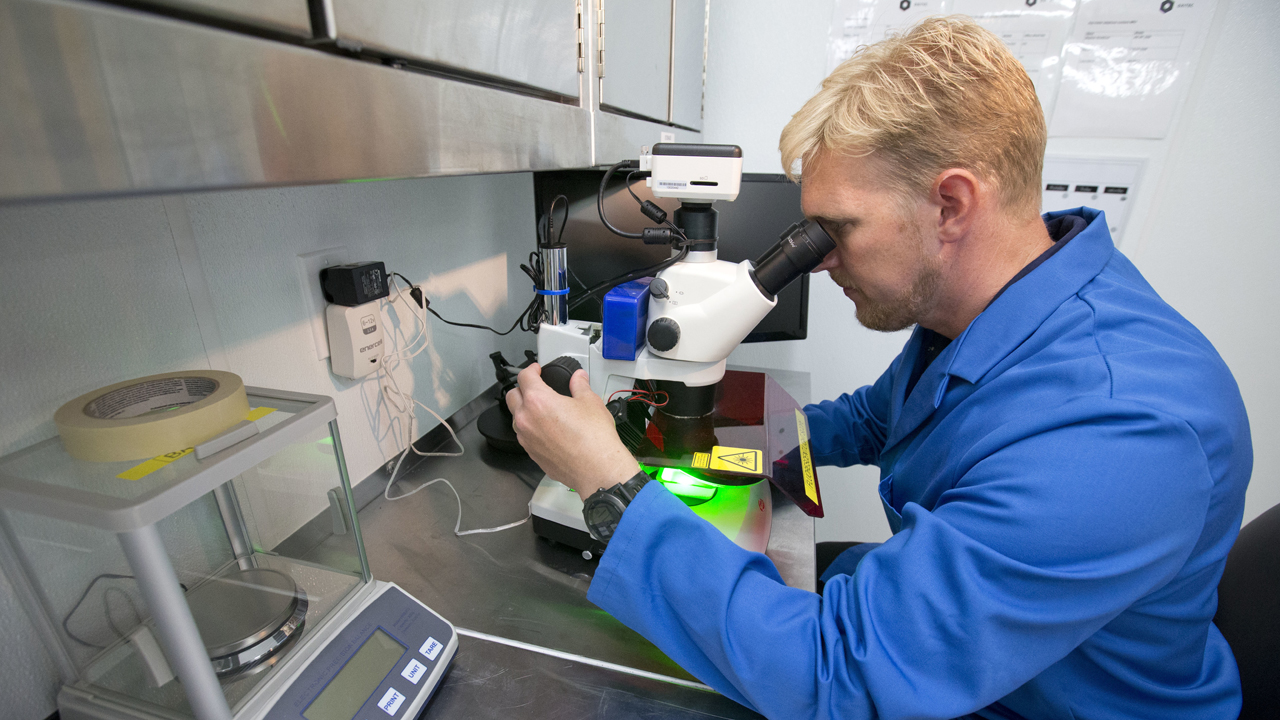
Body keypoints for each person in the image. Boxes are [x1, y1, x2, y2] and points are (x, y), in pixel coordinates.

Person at [505, 16, 1251, 720]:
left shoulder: (1119, 432)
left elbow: (837, 678)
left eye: (839, 228)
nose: (820, 259)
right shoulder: (993, 316)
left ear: (951, 205)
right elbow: (875, 417)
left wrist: (611, 485)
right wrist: (721, 441)